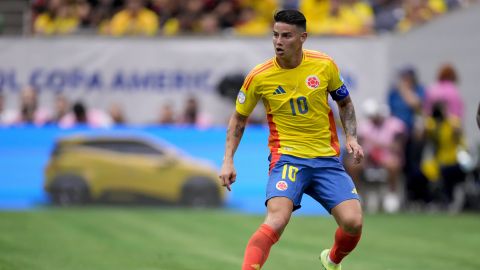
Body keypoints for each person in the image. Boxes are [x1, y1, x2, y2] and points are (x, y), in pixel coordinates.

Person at [219, 10, 364, 270]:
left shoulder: (324, 65)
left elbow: (345, 102)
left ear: (302, 37)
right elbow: (238, 119)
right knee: (276, 220)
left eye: (286, 36)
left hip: (326, 160)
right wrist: (228, 160)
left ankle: (331, 261)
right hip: (287, 158)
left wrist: (351, 137)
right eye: (275, 35)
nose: (278, 41)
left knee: (353, 223)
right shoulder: (259, 76)